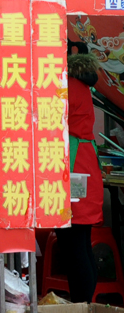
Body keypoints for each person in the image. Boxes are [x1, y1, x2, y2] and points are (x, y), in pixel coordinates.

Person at [56, 53, 104, 303]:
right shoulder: (84, 87)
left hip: (73, 169)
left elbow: (49, 120)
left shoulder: (67, 88)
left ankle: (80, 305)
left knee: (74, 247)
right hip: (86, 167)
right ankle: (85, 304)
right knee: (82, 243)